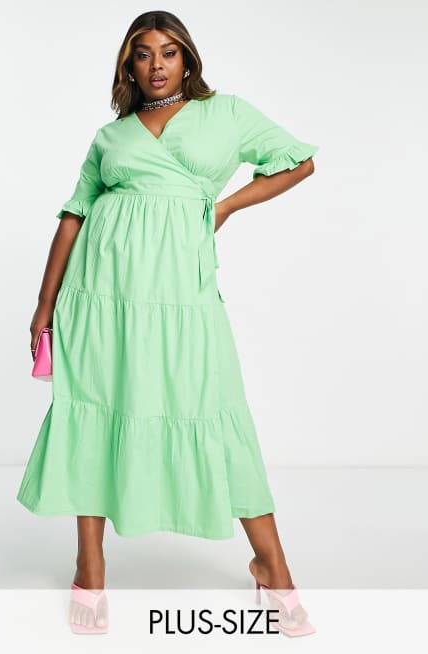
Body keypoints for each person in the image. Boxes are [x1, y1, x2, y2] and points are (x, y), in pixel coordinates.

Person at [17, 10, 319, 637]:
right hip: (99, 295)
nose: (156, 64)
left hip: (181, 294)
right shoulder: (111, 135)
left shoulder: (225, 112)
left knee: (215, 410)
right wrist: (45, 303)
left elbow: (297, 162)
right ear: (128, 65)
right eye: (143, 53)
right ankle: (90, 569)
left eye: (168, 51)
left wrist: (226, 205)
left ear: (187, 59)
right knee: (95, 409)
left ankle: (272, 566)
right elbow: (74, 216)